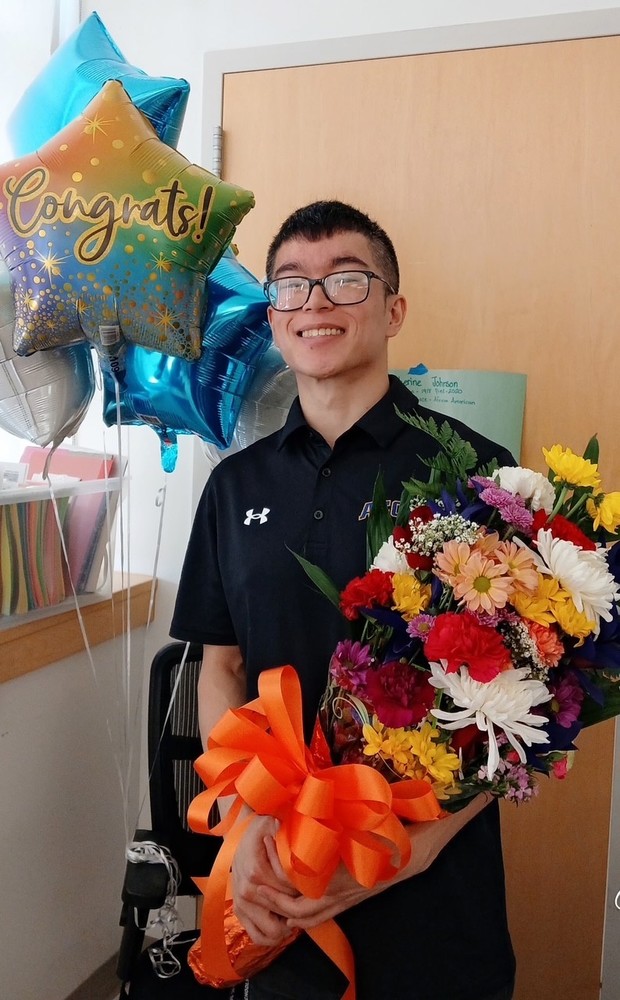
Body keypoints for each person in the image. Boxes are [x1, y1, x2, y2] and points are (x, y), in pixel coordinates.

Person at [171, 200, 516, 1000]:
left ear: (394, 309)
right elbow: (219, 666)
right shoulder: (235, 485)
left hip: (432, 888)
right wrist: (247, 813)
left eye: (345, 280)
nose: (314, 303)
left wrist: (421, 844)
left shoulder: (473, 474)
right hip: (282, 877)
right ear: (272, 315)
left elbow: (529, 697)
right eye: (290, 285)